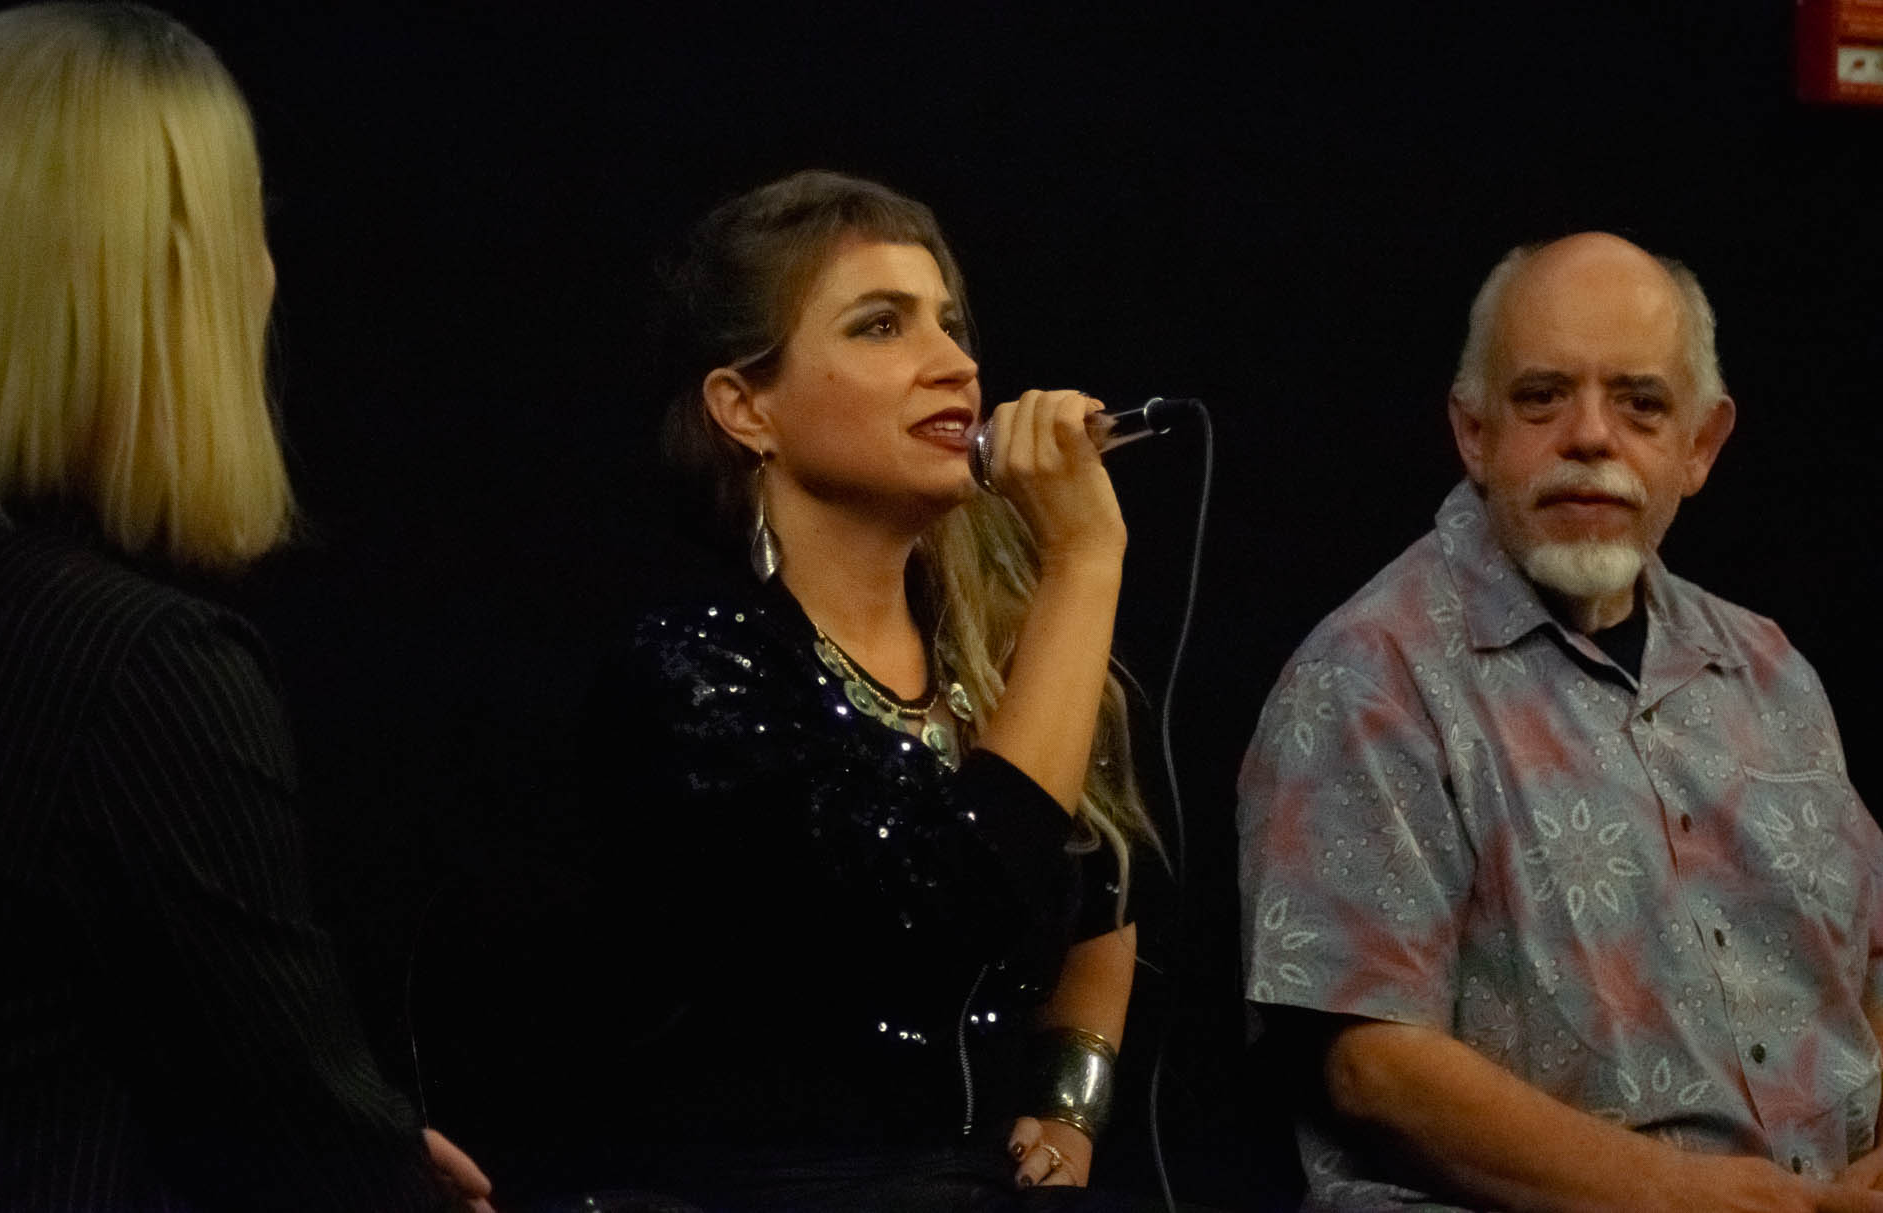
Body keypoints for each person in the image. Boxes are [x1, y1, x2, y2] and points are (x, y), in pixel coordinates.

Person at [0, 2, 490, 1211]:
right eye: (247, 228)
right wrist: (384, 1162)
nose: (268, 272)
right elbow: (296, 1126)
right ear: (167, 285)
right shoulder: (135, 669)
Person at [1237, 231, 1883, 1212]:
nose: (1589, 436)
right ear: (1473, 433)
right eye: (1541, 397)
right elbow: (1371, 1064)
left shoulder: (1768, 669)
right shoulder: (1370, 676)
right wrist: (1682, 1197)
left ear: (1699, 446)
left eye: (1639, 404)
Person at [595, 170, 1160, 1209]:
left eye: (949, 323)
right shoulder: (695, 668)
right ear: (745, 407)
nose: (956, 364)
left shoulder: (1003, 653)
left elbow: (1104, 901)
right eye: (881, 326)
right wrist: (1083, 561)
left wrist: (1069, 1105)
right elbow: (955, 898)